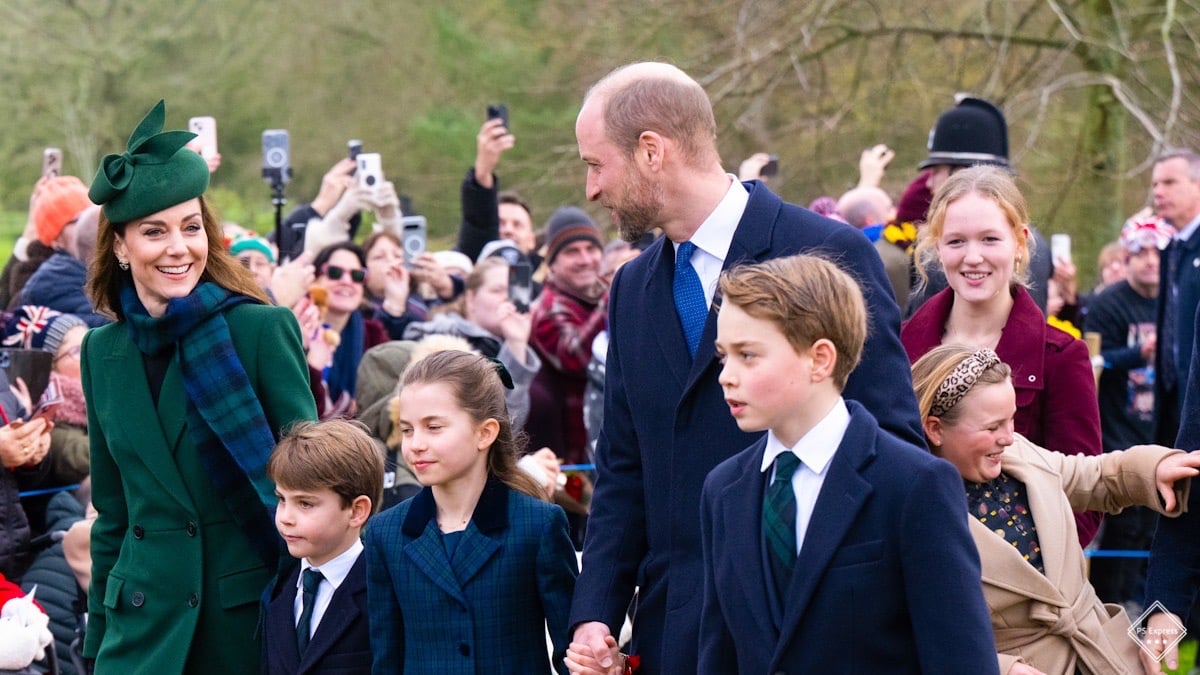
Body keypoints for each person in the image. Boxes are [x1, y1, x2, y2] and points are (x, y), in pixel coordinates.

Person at [566, 61, 923, 675]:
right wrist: (596, 611)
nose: (592, 190)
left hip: (806, 632)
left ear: (651, 151)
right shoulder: (631, 289)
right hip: (672, 636)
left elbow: (890, 445)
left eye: (597, 165)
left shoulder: (828, 253)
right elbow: (624, 469)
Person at [81, 100, 318, 674]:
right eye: (154, 231)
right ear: (120, 245)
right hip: (137, 630)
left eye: (190, 228)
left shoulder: (261, 330)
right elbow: (112, 513)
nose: (178, 247)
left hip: (241, 621)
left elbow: (313, 487)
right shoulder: (101, 351)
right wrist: (95, 639)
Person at [692, 255, 997, 673]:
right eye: (723, 356)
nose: (726, 375)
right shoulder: (723, 490)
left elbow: (960, 659)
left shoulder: (914, 484)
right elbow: (720, 653)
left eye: (748, 355)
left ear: (820, 359)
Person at [911, 344, 1200, 675]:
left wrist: (1153, 469)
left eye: (1012, 420)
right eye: (992, 427)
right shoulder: (913, 512)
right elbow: (909, 632)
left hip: (1102, 656)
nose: (1008, 437)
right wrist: (1002, 669)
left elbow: (1092, 476)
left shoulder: (1017, 453)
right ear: (935, 429)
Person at [902, 165, 1104, 547]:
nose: (973, 257)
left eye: (990, 239)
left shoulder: (1061, 357)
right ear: (936, 247)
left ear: (1020, 243)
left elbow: (1085, 495)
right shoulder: (899, 349)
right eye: (957, 241)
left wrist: (1028, 566)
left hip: (1019, 583)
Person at [365, 350, 577, 674]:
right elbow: (386, 659)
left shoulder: (538, 525)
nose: (415, 444)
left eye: (433, 427)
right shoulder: (385, 533)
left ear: (485, 433)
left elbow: (570, 653)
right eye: (407, 430)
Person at [1084, 216, 1170, 610]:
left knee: (1155, 526)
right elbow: (1095, 360)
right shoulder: (1109, 303)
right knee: (1122, 525)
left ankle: (1148, 607)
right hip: (1119, 427)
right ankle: (1107, 607)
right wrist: (1139, 353)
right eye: (1141, 253)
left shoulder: (1176, 297)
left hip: (1163, 427)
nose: (1150, 261)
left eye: (1157, 252)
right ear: (1127, 257)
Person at [904, 96, 1055, 317]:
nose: (928, 182)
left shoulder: (939, 252)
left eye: (937, 171)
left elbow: (919, 338)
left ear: (963, 172)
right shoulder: (1037, 243)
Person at [263, 419, 383, 675]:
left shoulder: (382, 591)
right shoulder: (277, 591)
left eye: (305, 504)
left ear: (356, 511)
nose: (286, 517)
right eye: (282, 500)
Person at [403, 256, 541, 431]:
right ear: (471, 298)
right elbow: (494, 425)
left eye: (512, 292)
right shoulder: (440, 339)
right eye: (497, 290)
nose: (507, 299)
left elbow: (511, 425)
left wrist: (516, 343)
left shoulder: (509, 343)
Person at [526, 206, 608, 466]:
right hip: (574, 460)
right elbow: (575, 357)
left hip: (611, 438)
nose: (585, 259)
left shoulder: (603, 295)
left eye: (591, 249)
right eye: (572, 252)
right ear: (552, 263)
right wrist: (614, 297)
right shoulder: (547, 309)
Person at [305, 241, 389, 418]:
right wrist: (312, 367)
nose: (346, 281)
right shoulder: (294, 329)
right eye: (335, 273)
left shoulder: (374, 335)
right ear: (315, 278)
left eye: (357, 275)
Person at [1151, 149, 1200, 447]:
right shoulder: (1172, 247)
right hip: (1171, 396)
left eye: (1169, 183)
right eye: (1155, 185)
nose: (1158, 192)